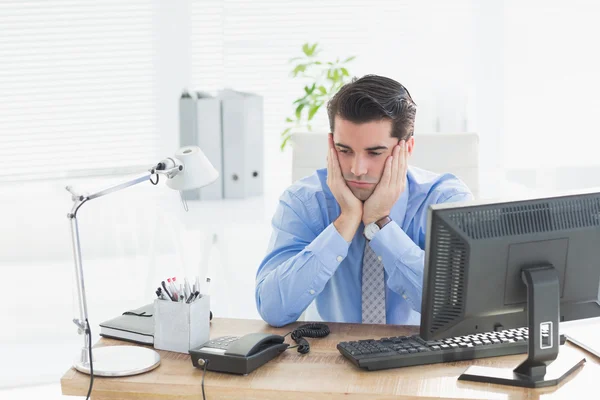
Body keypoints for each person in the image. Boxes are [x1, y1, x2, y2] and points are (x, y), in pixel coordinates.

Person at [255, 74, 473, 327]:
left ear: (407, 148)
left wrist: (380, 224)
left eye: (374, 152)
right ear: (330, 145)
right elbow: (272, 309)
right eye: (344, 150)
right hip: (329, 358)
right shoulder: (304, 201)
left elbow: (454, 308)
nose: (357, 169)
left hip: (420, 359)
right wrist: (345, 221)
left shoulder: (445, 198)